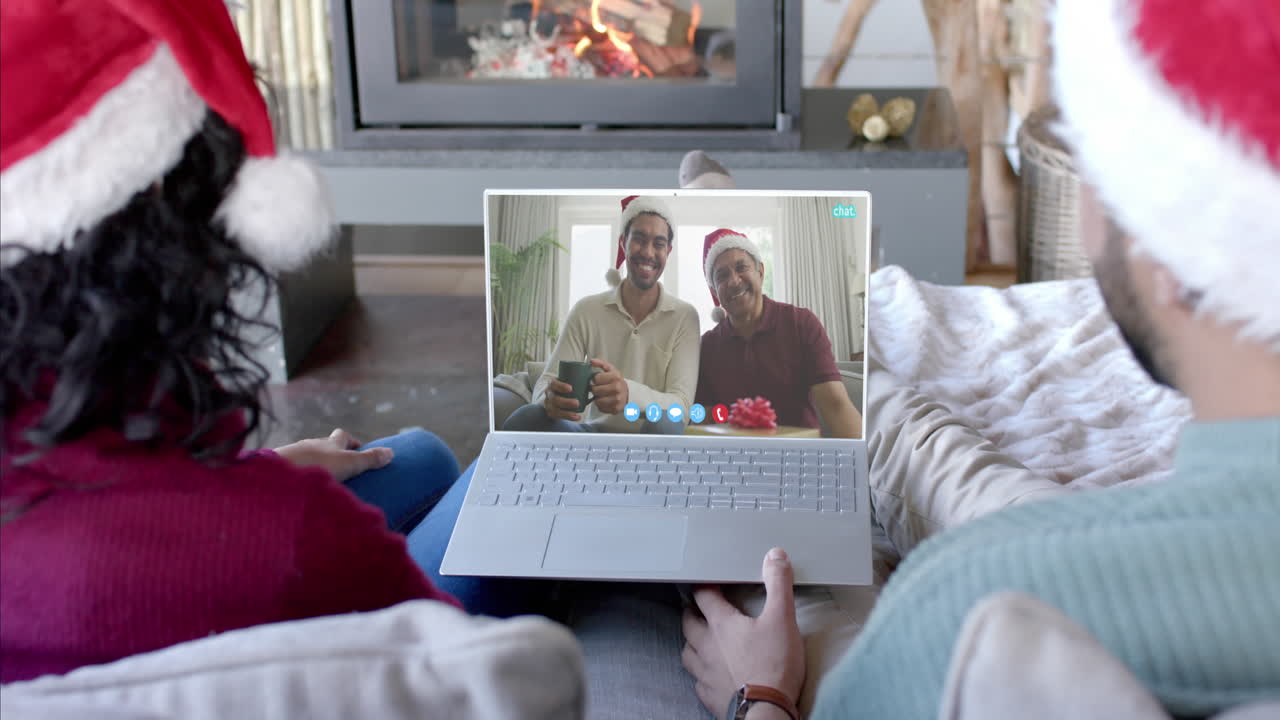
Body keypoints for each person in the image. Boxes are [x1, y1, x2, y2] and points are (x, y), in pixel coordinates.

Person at [681, 1, 1280, 717]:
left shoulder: (966, 618)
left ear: (1179, 248)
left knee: (794, 572)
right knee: (946, 464)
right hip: (1082, 543)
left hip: (953, 615)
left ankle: (839, 355)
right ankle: (854, 367)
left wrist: (763, 697)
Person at [0, 0, 465, 682]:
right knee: (502, 486)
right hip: (290, 625)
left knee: (420, 457)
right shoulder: (293, 536)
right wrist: (271, 496)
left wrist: (274, 468)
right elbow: (471, 677)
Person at [502, 195, 701, 435]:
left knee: (668, 422)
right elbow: (546, 382)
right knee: (528, 416)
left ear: (668, 252)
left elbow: (681, 406)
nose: (648, 252)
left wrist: (629, 393)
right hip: (590, 435)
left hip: (652, 439)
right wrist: (549, 399)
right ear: (622, 244)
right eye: (639, 239)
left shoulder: (684, 317)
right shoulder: (587, 309)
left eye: (658, 244)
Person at [694, 229, 862, 438]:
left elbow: (836, 407)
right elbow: (702, 416)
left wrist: (860, 464)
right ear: (715, 291)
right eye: (722, 275)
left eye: (741, 268)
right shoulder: (708, 346)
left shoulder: (800, 323)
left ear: (761, 272)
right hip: (736, 455)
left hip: (800, 454)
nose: (734, 280)